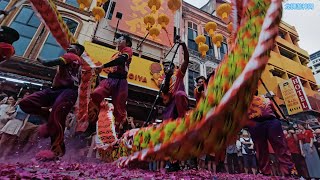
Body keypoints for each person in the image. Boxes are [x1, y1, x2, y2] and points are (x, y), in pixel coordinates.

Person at [19, 43, 85, 157]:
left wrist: (40, 58)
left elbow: (48, 63)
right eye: (68, 46)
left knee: (57, 119)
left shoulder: (71, 56)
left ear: (78, 51)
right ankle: (48, 117)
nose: (68, 48)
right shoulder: (76, 61)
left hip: (68, 91)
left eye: (72, 47)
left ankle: (56, 151)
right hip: (54, 90)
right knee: (25, 103)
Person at [89, 34, 133, 134]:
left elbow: (121, 60)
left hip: (121, 82)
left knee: (119, 110)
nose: (118, 41)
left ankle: (121, 130)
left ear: (127, 43)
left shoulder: (128, 50)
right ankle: (94, 120)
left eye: (121, 39)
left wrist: (103, 65)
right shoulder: (115, 54)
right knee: (96, 93)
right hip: (110, 79)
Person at [247, 92, 294, 176]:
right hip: (256, 124)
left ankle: (287, 172)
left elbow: (276, 113)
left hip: (271, 122)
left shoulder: (266, 99)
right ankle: (266, 173)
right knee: (261, 149)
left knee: (280, 146)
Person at [161, 41, 189, 120]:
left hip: (179, 101)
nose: (166, 68)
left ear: (173, 68)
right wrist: (167, 77)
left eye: (168, 66)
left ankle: (183, 119)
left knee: (179, 94)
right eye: (164, 67)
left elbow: (186, 60)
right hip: (170, 105)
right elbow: (165, 90)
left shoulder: (178, 74)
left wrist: (184, 46)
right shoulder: (162, 79)